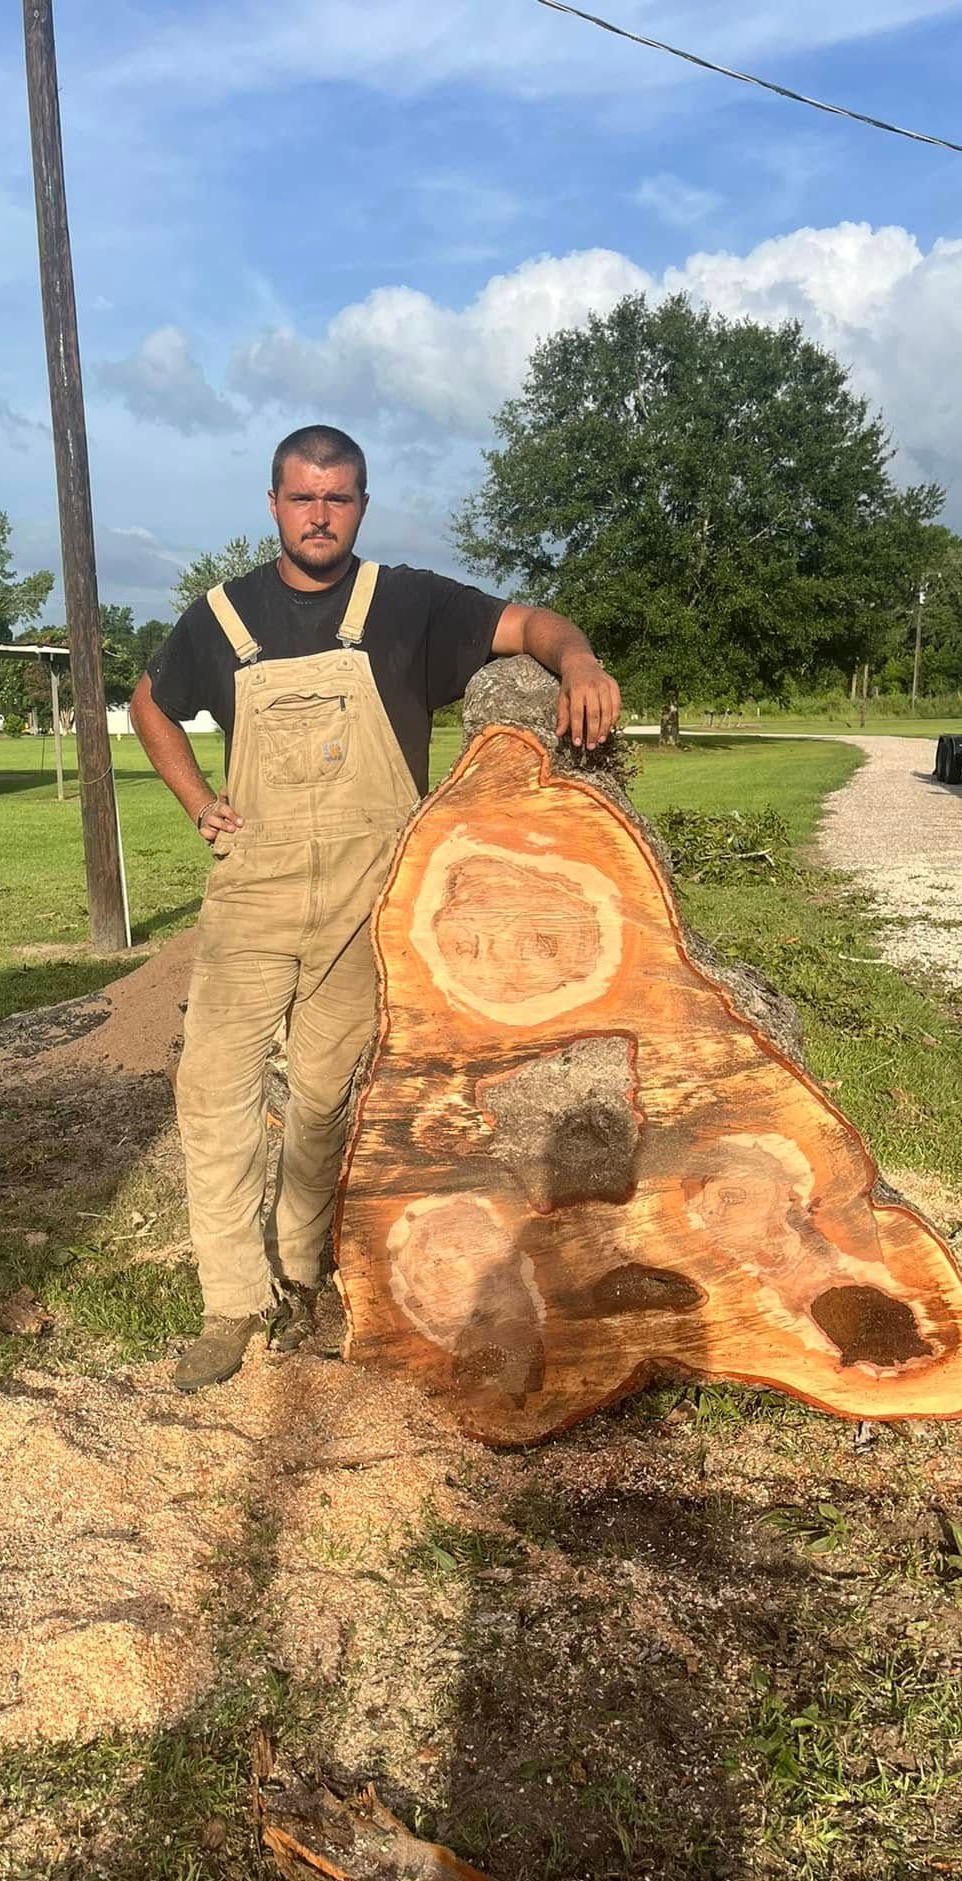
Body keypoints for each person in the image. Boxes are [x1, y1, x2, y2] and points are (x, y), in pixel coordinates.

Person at [129, 424, 621, 1391]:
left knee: (324, 1103)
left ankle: (304, 1279)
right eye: (303, 497)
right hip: (254, 892)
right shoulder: (219, 616)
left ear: (361, 505)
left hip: (371, 899)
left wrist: (582, 665)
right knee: (215, 1096)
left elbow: (536, 625)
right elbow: (149, 702)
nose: (320, 514)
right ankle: (232, 1305)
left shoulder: (410, 605)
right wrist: (198, 800)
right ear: (272, 504)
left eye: (339, 498)